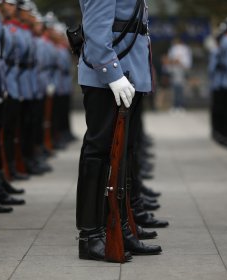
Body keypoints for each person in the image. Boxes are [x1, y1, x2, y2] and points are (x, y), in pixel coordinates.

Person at [76, 0, 162, 262]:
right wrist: (112, 74)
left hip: (128, 71)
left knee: (122, 155)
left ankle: (120, 226)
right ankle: (91, 235)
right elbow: (96, 28)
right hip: (110, 76)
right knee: (99, 152)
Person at [166, 37, 192, 111]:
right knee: (174, 89)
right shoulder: (172, 49)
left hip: (181, 70)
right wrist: (173, 62)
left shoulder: (185, 49)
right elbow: (170, 60)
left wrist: (180, 62)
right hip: (174, 70)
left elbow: (187, 61)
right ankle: (175, 105)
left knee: (181, 89)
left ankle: (181, 105)